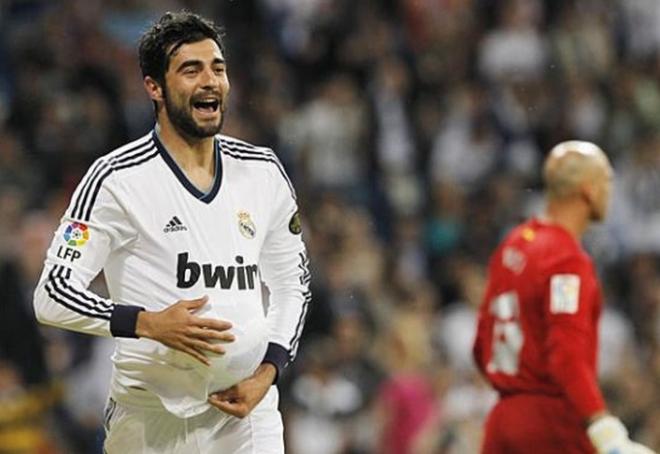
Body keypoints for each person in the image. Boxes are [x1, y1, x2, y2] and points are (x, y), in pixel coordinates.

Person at [33, 11, 310, 454]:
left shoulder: (263, 171)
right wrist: (147, 323)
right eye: (191, 69)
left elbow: (292, 285)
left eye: (218, 68)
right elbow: (52, 294)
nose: (210, 81)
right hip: (149, 420)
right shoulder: (114, 180)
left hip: (246, 415)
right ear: (154, 87)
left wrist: (270, 370)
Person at [472, 141, 656, 454]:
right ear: (589, 190)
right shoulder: (566, 260)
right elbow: (565, 357)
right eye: (606, 182)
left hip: (501, 422)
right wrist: (601, 424)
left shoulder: (514, 244)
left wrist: (516, 390)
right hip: (551, 424)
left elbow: (481, 346)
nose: (610, 192)